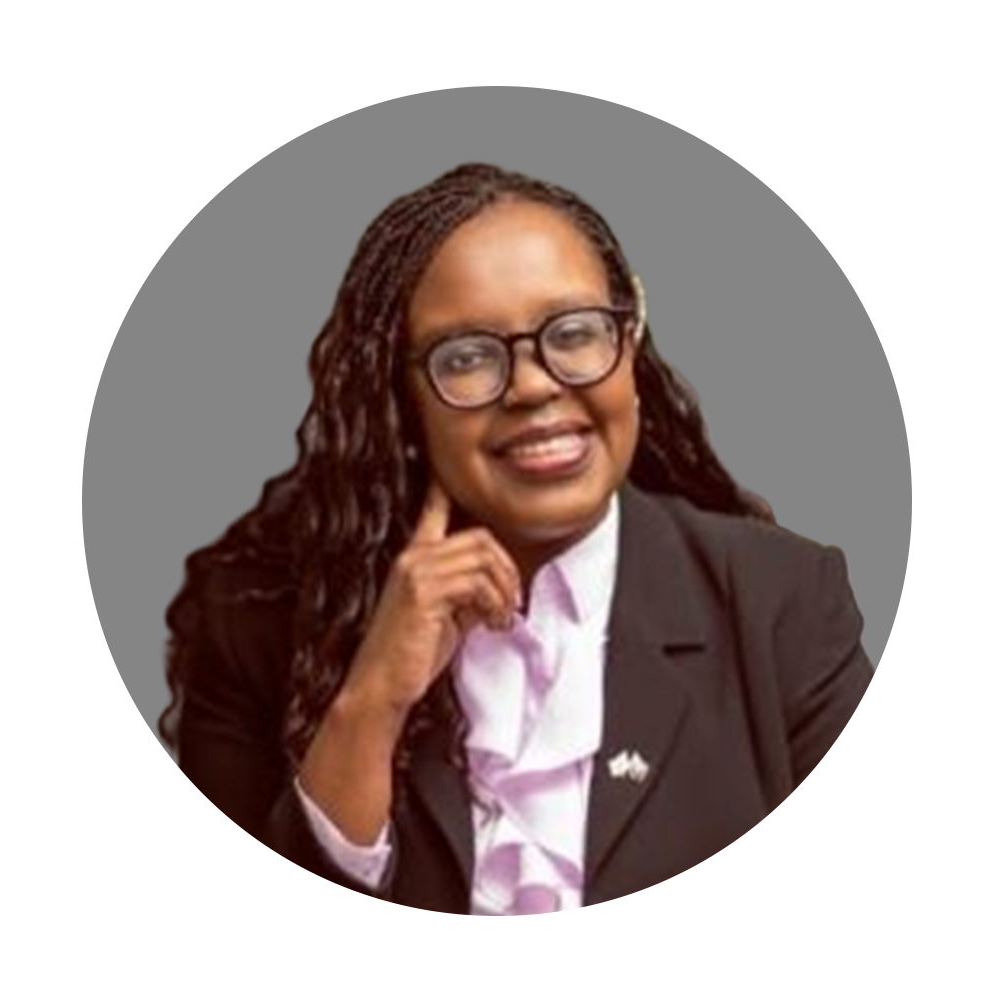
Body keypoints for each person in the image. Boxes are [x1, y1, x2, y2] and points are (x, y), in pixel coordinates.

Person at [160, 163, 874, 927]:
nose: (533, 386)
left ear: (628, 344)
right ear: (398, 397)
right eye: (466, 355)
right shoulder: (251, 622)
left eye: (574, 334)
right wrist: (371, 703)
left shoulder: (786, 603)